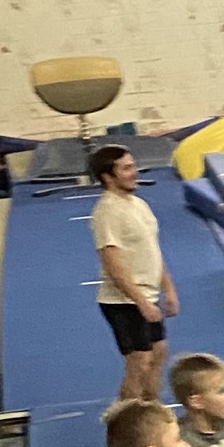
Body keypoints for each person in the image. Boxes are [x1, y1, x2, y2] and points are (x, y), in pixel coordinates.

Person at [89, 142, 175, 403]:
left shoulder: (138, 204)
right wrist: (140, 302)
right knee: (140, 362)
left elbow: (152, 251)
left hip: (146, 297)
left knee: (158, 352)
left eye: (132, 166)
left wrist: (169, 289)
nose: (134, 172)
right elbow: (112, 263)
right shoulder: (106, 212)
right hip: (122, 302)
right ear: (108, 176)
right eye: (126, 168)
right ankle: (125, 422)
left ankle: (152, 411)